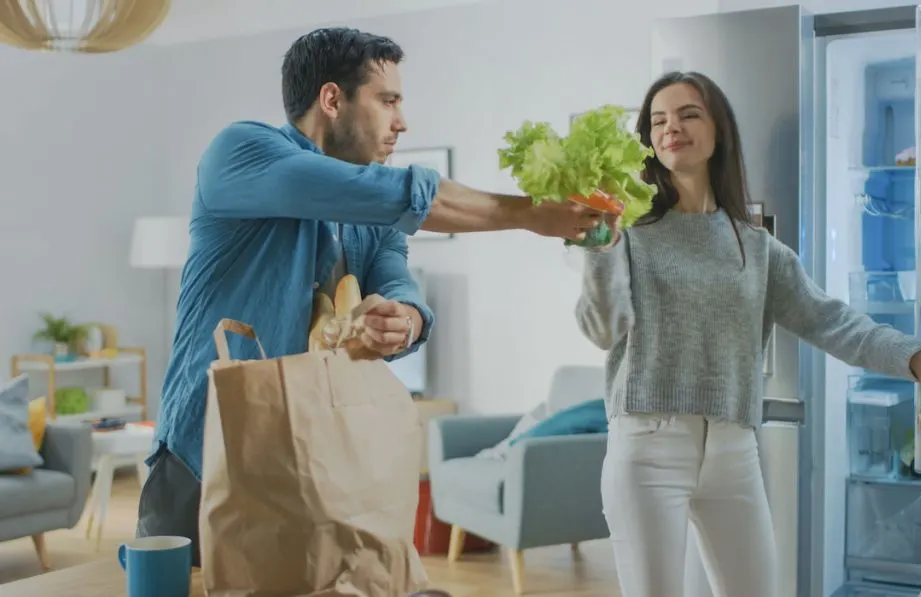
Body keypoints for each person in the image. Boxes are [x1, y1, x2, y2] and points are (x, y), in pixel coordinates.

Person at [136, 27, 604, 566]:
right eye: (388, 101)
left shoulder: (372, 216)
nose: (401, 122)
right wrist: (530, 214)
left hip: (312, 461)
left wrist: (405, 317)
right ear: (332, 99)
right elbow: (390, 193)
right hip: (204, 452)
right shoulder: (240, 152)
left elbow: (395, 274)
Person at [575, 71, 921, 597]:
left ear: (719, 132)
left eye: (689, 114)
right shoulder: (626, 233)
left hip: (734, 449)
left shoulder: (757, 248)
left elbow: (832, 320)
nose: (672, 128)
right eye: (659, 120)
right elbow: (602, 329)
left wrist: (916, 357)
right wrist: (597, 242)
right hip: (647, 446)